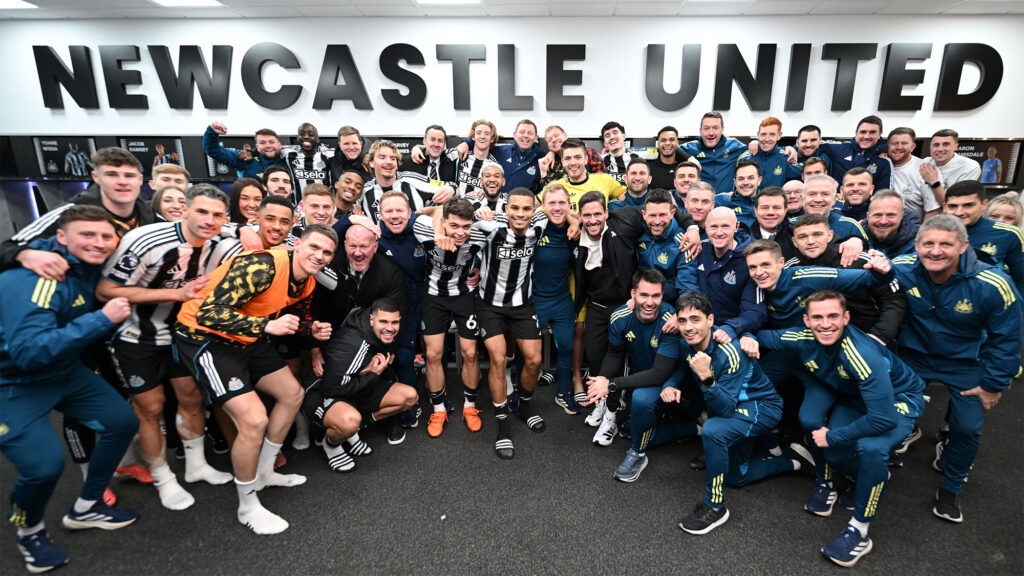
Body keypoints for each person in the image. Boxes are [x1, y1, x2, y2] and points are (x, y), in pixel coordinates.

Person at [1, 206, 140, 573]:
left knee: (121, 422)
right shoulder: (37, 276)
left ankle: (88, 504)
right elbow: (29, 353)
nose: (98, 243)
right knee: (43, 468)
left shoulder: (88, 267)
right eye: (87, 235)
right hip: (12, 383)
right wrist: (101, 319)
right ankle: (27, 529)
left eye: (105, 236)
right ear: (61, 237)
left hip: (64, 371)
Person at [174, 224, 337, 534]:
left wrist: (310, 329)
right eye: (314, 247)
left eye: (327, 253)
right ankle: (247, 506)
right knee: (253, 420)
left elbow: (297, 320)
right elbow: (209, 313)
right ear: (298, 245)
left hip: (246, 337)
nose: (319, 256)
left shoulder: (307, 282)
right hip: (205, 338)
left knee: (291, 393)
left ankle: (264, 472)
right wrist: (265, 326)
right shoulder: (262, 265)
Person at [752, 291, 925, 567]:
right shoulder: (803, 337)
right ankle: (862, 477)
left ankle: (860, 530)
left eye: (833, 316)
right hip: (855, 399)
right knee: (830, 451)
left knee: (871, 448)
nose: (825, 324)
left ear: (846, 317)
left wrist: (832, 435)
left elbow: (882, 419)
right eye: (817, 317)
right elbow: (767, 337)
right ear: (806, 320)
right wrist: (744, 337)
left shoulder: (861, 354)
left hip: (897, 402)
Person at [98, 184, 235, 511]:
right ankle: (163, 478)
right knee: (152, 408)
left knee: (192, 398)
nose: (209, 220)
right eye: (202, 211)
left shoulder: (222, 244)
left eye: (217, 214)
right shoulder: (146, 239)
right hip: (137, 336)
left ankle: (197, 465)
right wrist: (175, 294)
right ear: (184, 208)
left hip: (184, 335)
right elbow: (106, 290)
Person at [890, 215, 1021, 524]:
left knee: (966, 428)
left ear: (963, 246)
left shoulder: (993, 283)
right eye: (929, 244)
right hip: (914, 357)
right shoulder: (903, 268)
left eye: (946, 244)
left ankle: (951, 487)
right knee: (887, 412)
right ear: (917, 245)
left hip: (965, 363)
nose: (936, 251)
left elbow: (1008, 338)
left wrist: (994, 384)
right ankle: (886, 454)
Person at [673, 291, 799, 536]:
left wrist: (706, 378)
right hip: (736, 408)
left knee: (713, 430)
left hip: (762, 408)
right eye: (683, 321)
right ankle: (792, 463)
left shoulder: (730, 352)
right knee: (736, 478)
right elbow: (687, 373)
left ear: (710, 320)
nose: (689, 327)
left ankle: (715, 506)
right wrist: (671, 384)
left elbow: (725, 409)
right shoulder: (685, 343)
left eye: (695, 319)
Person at [584, 270, 698, 475]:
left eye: (656, 296)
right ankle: (691, 427)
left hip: (672, 379)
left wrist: (611, 384)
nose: (650, 302)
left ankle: (638, 454)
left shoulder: (669, 321)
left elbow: (659, 374)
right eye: (644, 295)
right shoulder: (620, 316)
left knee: (641, 400)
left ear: (663, 296)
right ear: (633, 294)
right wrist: (602, 378)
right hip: (644, 374)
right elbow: (614, 353)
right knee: (634, 426)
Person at [2, 146, 156, 277]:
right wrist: (26, 254)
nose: (122, 182)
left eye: (129, 176)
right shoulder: (70, 213)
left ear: (140, 180)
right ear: (96, 177)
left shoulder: (150, 215)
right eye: (111, 175)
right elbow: (6, 248)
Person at [305, 298, 419, 472]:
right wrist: (373, 374)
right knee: (349, 422)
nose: (390, 328)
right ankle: (332, 444)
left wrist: (373, 371)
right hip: (322, 393)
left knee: (409, 396)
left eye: (395, 322)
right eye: (383, 321)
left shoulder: (384, 334)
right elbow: (330, 388)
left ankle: (353, 430)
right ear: (372, 320)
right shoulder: (352, 344)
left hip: (354, 387)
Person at [413, 198, 486, 436]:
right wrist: (437, 229)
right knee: (433, 354)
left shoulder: (480, 234)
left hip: (464, 295)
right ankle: (438, 408)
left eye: (466, 227)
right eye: (454, 226)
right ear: (443, 222)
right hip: (433, 296)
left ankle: (471, 406)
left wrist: (487, 212)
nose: (460, 232)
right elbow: (419, 213)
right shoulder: (425, 227)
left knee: (471, 353)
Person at [786, 214, 906, 349]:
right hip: (818, 347)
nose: (810, 241)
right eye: (802, 237)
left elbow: (895, 300)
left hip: (868, 340)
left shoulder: (859, 260)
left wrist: (878, 337)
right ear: (794, 242)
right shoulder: (789, 270)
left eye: (817, 234)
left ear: (830, 235)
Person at [943, 180, 1024, 292]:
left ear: (984, 205)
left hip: (987, 303)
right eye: (952, 206)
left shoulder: (1009, 234)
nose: (959, 212)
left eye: (968, 205)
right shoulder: (933, 231)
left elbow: (1021, 281)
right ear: (944, 207)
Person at [359, 139, 454, 224]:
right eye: (382, 157)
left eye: (393, 158)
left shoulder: (412, 179)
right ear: (371, 163)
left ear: (397, 164)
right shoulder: (364, 191)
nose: (389, 162)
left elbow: (448, 185)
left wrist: (451, 189)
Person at [549, 138, 625, 211]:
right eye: (568, 158)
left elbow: (628, 198)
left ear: (586, 159)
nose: (573, 163)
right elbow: (537, 205)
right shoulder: (554, 187)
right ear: (562, 162)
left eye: (577, 157)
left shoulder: (604, 180)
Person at [680, 112, 749, 193]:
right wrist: (688, 157)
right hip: (700, 201)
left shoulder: (734, 145)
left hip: (727, 202)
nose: (711, 133)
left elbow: (753, 150)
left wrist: (755, 142)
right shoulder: (690, 147)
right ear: (700, 130)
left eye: (715, 128)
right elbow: (668, 149)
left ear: (722, 129)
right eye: (706, 128)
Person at [202, 121, 293, 182]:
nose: (268, 145)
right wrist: (212, 133)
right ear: (257, 146)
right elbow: (213, 150)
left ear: (280, 144)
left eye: (272, 142)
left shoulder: (292, 159)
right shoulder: (244, 158)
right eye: (262, 143)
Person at [817, 115, 891, 189]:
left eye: (872, 132)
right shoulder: (839, 149)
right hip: (836, 199)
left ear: (880, 134)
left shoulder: (883, 161)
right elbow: (813, 147)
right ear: (856, 133)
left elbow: (881, 194)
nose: (866, 136)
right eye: (863, 132)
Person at [886, 127, 941, 219]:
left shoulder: (925, 169)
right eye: (894, 143)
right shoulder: (879, 165)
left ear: (912, 147)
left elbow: (933, 210)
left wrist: (922, 233)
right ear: (887, 146)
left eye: (904, 143)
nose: (899, 147)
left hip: (912, 229)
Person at [921, 129, 981, 202]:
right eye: (936, 145)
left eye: (946, 144)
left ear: (956, 147)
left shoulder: (970, 166)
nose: (940, 149)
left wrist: (934, 183)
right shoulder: (924, 163)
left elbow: (954, 204)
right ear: (930, 147)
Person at [538, 124, 603, 190]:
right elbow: (548, 192)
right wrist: (543, 173)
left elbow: (602, 180)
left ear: (565, 135)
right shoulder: (549, 162)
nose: (554, 140)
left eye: (556, 135)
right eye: (549, 140)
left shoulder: (589, 153)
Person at [740, 116, 797, 189]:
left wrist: (795, 149)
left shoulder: (786, 157)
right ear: (758, 134)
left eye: (772, 134)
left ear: (779, 135)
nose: (767, 139)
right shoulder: (745, 158)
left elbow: (808, 170)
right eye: (763, 134)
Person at [282, 122, 332, 199]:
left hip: (322, 205)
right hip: (299, 208)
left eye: (311, 135)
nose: (306, 137)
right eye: (302, 134)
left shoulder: (327, 157)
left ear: (318, 139)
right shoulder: (290, 156)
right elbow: (268, 150)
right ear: (297, 138)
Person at [864, 190, 920, 258]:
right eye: (877, 215)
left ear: (901, 216)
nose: (883, 221)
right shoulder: (856, 238)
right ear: (868, 216)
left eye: (891, 215)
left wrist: (888, 264)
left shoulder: (918, 244)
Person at [750, 187, 797, 260]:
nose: (770, 212)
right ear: (755, 211)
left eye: (776, 208)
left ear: (785, 210)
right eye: (764, 207)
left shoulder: (796, 235)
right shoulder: (744, 238)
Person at [647, 125, 699, 191]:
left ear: (677, 143)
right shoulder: (649, 168)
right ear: (658, 144)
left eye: (671, 140)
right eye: (663, 140)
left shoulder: (685, 169)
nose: (667, 143)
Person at [715, 159, 761, 227]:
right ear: (735, 182)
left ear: (759, 180)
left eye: (750, 178)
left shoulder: (768, 203)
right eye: (741, 179)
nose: (745, 183)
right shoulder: (721, 202)